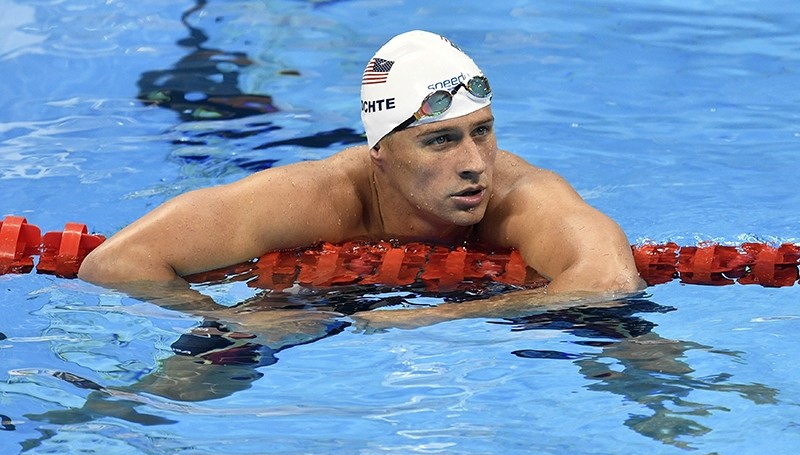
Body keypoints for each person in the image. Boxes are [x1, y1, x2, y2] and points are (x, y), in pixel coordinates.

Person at [79, 30, 643, 333]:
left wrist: (434, 317)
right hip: (311, 298)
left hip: (456, 310)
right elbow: (115, 264)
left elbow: (607, 283)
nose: (476, 163)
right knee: (227, 348)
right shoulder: (313, 197)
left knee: (626, 340)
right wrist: (229, 320)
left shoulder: (522, 196)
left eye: (483, 132)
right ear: (380, 151)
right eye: (440, 140)